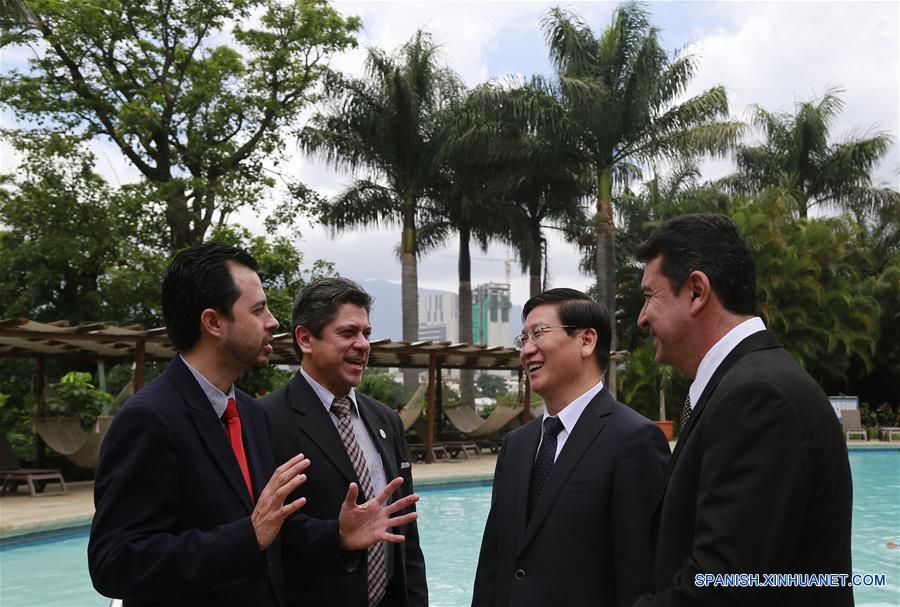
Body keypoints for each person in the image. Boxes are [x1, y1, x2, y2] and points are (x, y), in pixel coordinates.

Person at [88, 243, 419, 607]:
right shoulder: (150, 419)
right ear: (213, 322)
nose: (273, 322)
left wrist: (337, 535)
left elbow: (275, 528)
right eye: (259, 309)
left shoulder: (248, 413)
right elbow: (116, 562)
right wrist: (246, 537)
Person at [631, 214, 853, 607]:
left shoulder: (755, 397)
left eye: (650, 296)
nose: (641, 317)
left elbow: (724, 588)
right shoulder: (747, 384)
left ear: (697, 291)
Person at [471, 288, 669, 607]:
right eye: (523, 340)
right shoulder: (516, 445)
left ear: (586, 340)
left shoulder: (634, 439)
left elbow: (640, 577)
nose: (526, 351)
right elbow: (493, 563)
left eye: (539, 334)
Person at [261, 277, 427, 607]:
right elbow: (267, 533)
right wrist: (337, 535)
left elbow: (405, 535)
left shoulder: (386, 421)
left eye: (366, 333)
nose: (364, 344)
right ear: (305, 338)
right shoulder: (265, 420)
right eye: (348, 333)